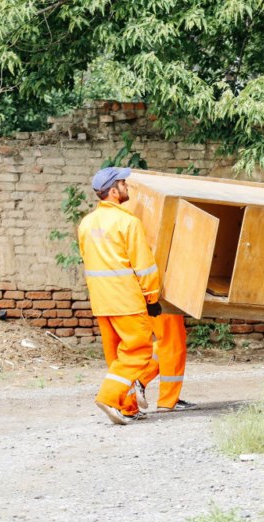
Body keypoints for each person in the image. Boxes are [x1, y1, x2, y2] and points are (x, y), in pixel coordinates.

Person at [78, 166, 163, 425]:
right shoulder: (128, 223)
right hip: (126, 300)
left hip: (101, 302)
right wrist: (152, 298)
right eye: (124, 184)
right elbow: (144, 265)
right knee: (139, 351)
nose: (128, 188)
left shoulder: (86, 223)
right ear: (114, 191)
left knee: (117, 357)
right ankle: (108, 397)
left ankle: (127, 407)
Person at [139, 314, 197, 411]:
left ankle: (138, 380)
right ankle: (168, 401)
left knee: (167, 343)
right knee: (173, 345)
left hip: (158, 308)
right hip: (167, 309)